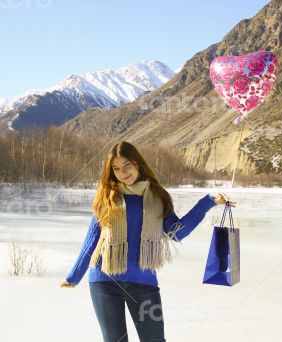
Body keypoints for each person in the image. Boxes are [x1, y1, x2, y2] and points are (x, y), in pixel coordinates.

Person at [60, 141, 236, 342]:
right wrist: (74, 276)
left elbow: (176, 233)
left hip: (143, 282)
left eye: (127, 165)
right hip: (105, 281)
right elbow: (91, 242)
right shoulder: (106, 199)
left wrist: (207, 202)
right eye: (116, 169)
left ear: (137, 164)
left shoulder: (157, 197)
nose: (123, 173)